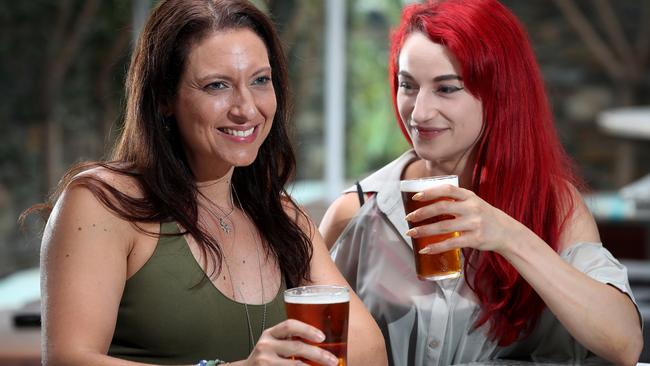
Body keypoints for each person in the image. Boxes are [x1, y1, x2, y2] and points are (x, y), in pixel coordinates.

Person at [28, 0, 387, 365]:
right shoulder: (102, 202)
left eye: (260, 80)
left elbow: (370, 353)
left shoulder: (283, 218)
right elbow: (67, 360)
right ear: (164, 98)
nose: (246, 108)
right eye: (217, 86)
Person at [319, 0, 643, 365]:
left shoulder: (554, 206)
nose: (419, 112)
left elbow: (624, 343)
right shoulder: (359, 210)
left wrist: (508, 235)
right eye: (407, 85)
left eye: (446, 89)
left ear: (499, 93)